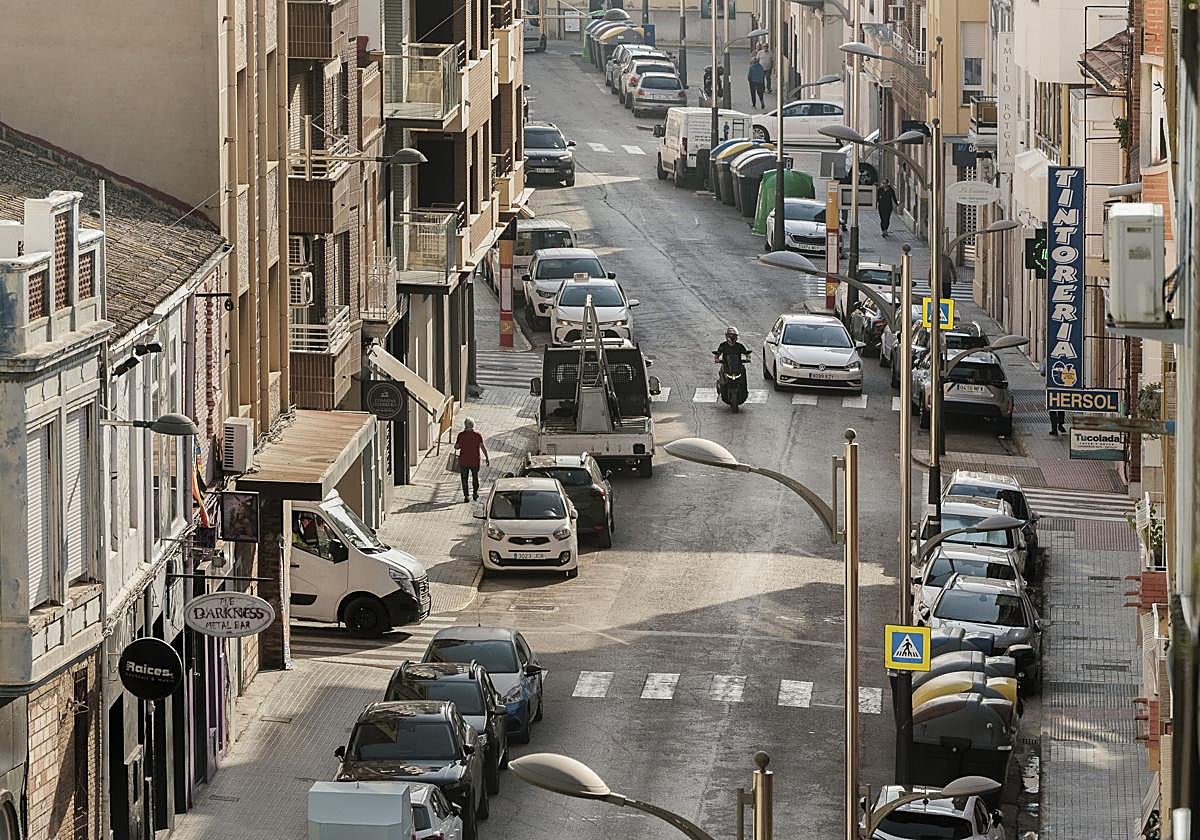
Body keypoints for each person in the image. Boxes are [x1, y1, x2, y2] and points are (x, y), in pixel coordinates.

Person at [454, 417, 490, 503]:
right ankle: (475, 493)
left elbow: (456, 447)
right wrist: (487, 457)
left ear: (465, 425)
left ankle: (466, 496)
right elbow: (483, 447)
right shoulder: (477, 436)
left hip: (464, 461)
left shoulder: (461, 435)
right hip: (475, 461)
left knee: (464, 479)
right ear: (473, 425)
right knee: (475, 477)